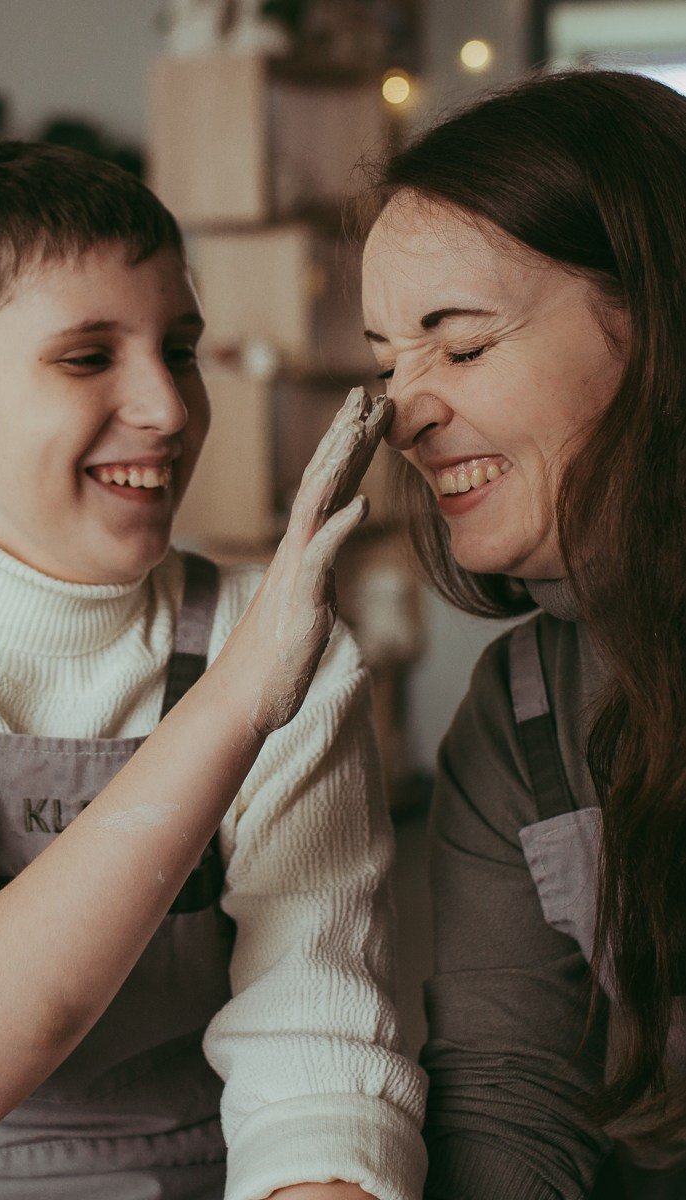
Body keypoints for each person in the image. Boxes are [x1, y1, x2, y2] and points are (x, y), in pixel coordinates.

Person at [0, 140, 427, 1200]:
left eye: (179, 350)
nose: (171, 410)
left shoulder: (282, 646)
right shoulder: (256, 664)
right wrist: (235, 704)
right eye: (88, 358)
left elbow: (316, 1065)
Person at [360, 67, 686, 1199]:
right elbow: (513, 1088)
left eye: (461, 344)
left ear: (654, 321)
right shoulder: (521, 710)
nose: (401, 414)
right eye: (387, 358)